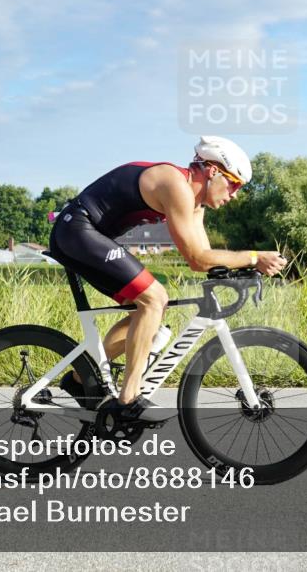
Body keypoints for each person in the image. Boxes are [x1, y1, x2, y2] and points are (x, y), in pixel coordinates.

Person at [49, 136, 287, 422]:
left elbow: (204, 259)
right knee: (154, 299)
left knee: (150, 309)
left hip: (90, 236)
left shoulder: (195, 206)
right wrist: (252, 257)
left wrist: (244, 270)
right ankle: (128, 399)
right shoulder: (175, 184)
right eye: (234, 183)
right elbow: (197, 257)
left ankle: (79, 379)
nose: (235, 194)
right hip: (77, 229)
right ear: (212, 171)